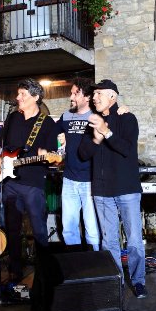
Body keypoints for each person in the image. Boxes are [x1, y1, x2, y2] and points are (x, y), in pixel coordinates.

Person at [78, 79, 147, 299]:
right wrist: (96, 139)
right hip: (102, 191)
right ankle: (116, 283)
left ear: (112, 97)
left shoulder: (127, 118)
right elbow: (83, 154)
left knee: (134, 240)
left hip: (127, 189)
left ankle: (138, 281)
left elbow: (127, 149)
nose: (94, 98)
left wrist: (107, 132)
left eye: (99, 94)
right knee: (109, 242)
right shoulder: (92, 122)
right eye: (93, 94)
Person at [0, 79, 58, 282]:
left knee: (39, 229)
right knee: (12, 229)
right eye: (18, 93)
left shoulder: (47, 123)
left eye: (22, 94)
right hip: (10, 183)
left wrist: (46, 154)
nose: (17, 97)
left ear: (35, 97)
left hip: (33, 183)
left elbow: (53, 153)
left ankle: (44, 271)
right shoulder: (13, 118)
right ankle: (15, 269)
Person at [56, 77, 100, 251]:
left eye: (76, 93)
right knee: (68, 228)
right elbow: (52, 133)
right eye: (71, 93)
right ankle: (74, 263)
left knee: (92, 229)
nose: (71, 97)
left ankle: (96, 262)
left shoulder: (96, 117)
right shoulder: (66, 116)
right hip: (69, 179)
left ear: (87, 97)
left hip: (90, 181)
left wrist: (122, 109)